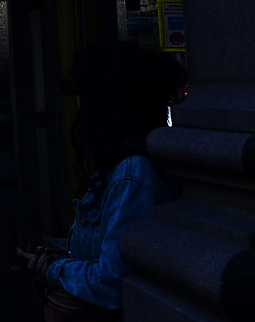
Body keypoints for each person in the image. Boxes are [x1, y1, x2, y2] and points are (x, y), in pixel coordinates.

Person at [17, 42, 185, 313]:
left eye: (84, 94)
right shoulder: (116, 169)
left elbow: (110, 284)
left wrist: (53, 268)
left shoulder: (131, 175)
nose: (78, 106)